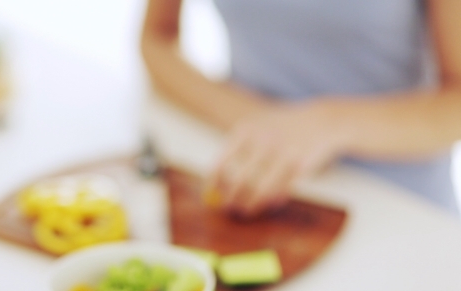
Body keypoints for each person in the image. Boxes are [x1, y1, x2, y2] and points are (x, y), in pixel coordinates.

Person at [140, 0, 461, 217]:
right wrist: (256, 122)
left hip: (401, 207)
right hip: (250, 181)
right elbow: (155, 39)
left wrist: (329, 123)